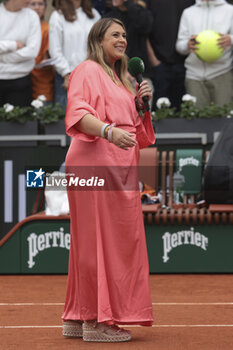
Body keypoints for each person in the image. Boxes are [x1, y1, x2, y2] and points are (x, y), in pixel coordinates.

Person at [62, 17, 155, 342]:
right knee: (101, 242)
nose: (123, 39)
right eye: (115, 34)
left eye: (125, 35)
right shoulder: (87, 70)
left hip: (118, 165)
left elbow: (138, 136)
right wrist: (108, 130)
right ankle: (98, 322)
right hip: (95, 163)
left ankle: (79, 315)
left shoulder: (122, 78)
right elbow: (77, 113)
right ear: (98, 39)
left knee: (94, 241)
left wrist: (142, 107)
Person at [176, 0, 233, 108]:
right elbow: (179, 46)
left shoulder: (230, 11)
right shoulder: (188, 12)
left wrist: (230, 39)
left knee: (225, 121)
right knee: (197, 122)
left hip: (222, 74)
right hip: (194, 77)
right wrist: (187, 45)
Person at [49, 0, 101, 107]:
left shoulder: (93, 13)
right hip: (68, 77)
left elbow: (100, 44)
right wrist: (66, 73)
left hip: (92, 75)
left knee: (93, 117)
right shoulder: (58, 16)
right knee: (68, 118)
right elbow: (54, 50)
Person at [146, 0, 195, 111]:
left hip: (188, 65)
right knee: (158, 114)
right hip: (159, 65)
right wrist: (154, 60)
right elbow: (144, 33)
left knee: (184, 114)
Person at [0, 0, 41, 107]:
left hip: (21, 81)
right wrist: (13, 45)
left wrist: (3, 57)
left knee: (19, 122)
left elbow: (32, 51)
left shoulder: (32, 16)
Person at [104, 0, 153, 73]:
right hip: (116, 72)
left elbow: (144, 27)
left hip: (140, 72)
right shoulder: (109, 16)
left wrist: (129, 3)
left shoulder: (141, 13)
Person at [29, 0, 54, 103]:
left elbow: (47, 57)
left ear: (45, 7)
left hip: (42, 79)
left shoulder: (47, 29)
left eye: (40, 4)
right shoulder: (21, 27)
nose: (37, 7)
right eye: (33, 4)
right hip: (22, 77)